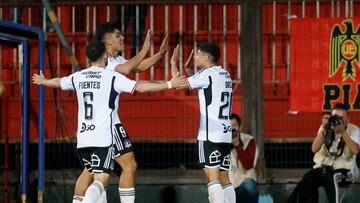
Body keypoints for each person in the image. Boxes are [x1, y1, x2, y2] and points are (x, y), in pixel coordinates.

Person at [32, 40, 184, 203]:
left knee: (91, 173)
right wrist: (169, 84)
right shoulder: (111, 77)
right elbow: (141, 87)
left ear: (88, 58)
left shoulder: (78, 76)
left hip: (83, 138)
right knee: (102, 179)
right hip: (102, 137)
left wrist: (44, 81)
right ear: (105, 55)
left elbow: (59, 82)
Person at [72, 21, 169, 203]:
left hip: (88, 126)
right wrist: (145, 49)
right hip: (108, 125)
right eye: (118, 35)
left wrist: (160, 54)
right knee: (129, 165)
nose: (122, 38)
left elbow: (138, 66)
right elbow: (127, 69)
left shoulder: (111, 60)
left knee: (91, 170)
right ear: (107, 42)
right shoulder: (106, 63)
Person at [170, 42, 236, 203]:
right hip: (225, 133)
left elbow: (178, 85)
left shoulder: (206, 75)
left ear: (206, 57)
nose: (195, 57)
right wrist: (191, 72)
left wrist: (173, 63)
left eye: (198, 54)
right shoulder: (225, 74)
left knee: (212, 179)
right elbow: (204, 86)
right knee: (224, 177)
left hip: (209, 134)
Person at [287, 103, 360, 203]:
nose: (338, 121)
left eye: (342, 118)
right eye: (336, 117)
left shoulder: (354, 130)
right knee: (308, 178)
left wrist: (343, 132)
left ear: (347, 118)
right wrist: (323, 131)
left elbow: (356, 150)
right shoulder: (326, 129)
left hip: (346, 170)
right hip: (325, 168)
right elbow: (314, 149)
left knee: (332, 177)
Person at [229, 113, 259, 203]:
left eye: (234, 126)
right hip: (229, 185)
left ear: (240, 127)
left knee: (249, 186)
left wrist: (237, 145)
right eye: (229, 126)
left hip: (244, 182)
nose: (232, 129)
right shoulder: (220, 142)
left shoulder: (249, 140)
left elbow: (248, 165)